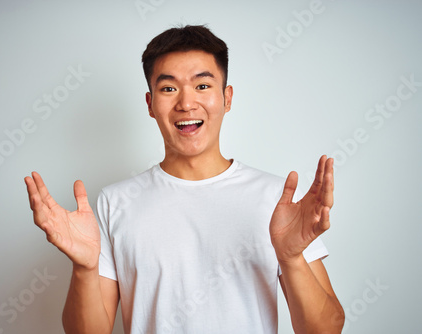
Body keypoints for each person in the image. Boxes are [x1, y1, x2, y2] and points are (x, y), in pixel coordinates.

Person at [24, 25, 345, 334]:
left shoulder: (278, 199)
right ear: (150, 104)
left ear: (227, 97)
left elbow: (325, 330)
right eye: (168, 88)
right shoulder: (114, 202)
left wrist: (291, 258)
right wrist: (84, 269)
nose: (186, 103)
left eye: (202, 85)